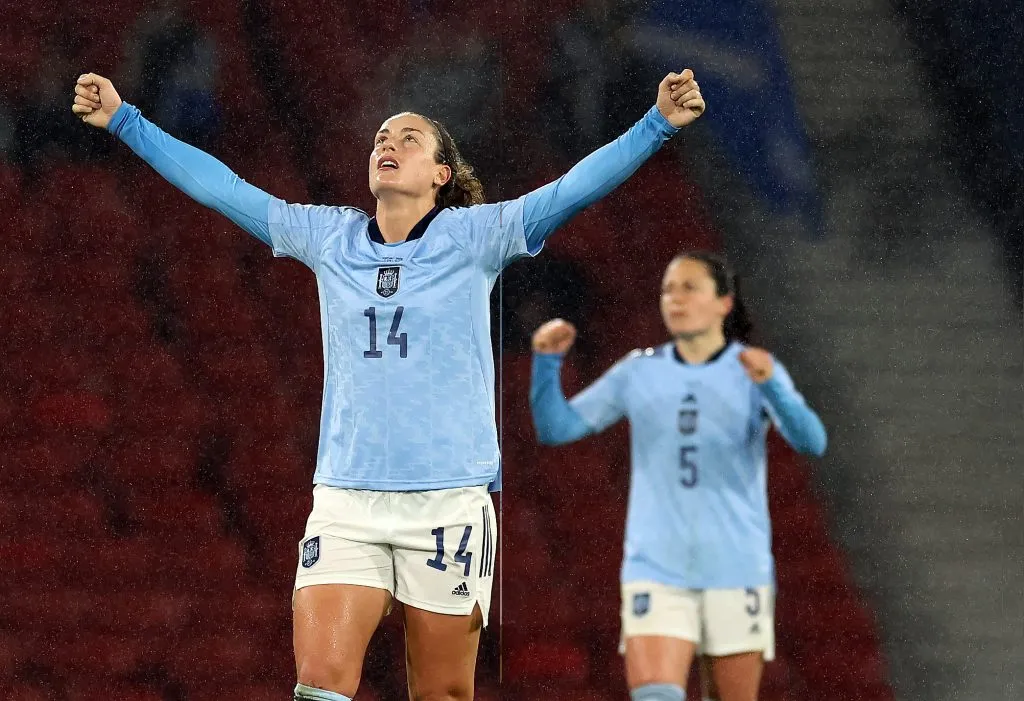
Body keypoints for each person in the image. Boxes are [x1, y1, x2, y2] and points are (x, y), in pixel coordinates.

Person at [71, 68, 706, 701]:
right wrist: (127, 121)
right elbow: (224, 189)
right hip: (347, 499)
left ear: (441, 175)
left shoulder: (475, 236)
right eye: (381, 135)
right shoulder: (329, 236)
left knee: (441, 692)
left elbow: (573, 189)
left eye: (409, 138)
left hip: (448, 501)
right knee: (318, 684)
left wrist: (654, 126)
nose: (388, 143)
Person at [529, 251, 827, 701]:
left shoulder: (754, 368)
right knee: (656, 695)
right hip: (656, 568)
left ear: (724, 303)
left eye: (690, 287)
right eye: (668, 289)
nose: (675, 298)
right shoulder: (639, 370)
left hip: (736, 567)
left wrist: (772, 388)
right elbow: (557, 429)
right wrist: (547, 366)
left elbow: (812, 441)